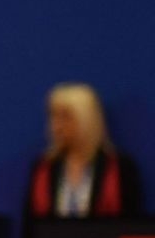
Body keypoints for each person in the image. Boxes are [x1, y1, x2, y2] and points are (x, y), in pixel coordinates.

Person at [28, 83, 142, 218]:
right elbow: (30, 226)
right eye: (53, 116)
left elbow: (131, 225)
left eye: (65, 117)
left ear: (86, 120)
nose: (56, 126)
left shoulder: (119, 167)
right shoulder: (44, 168)